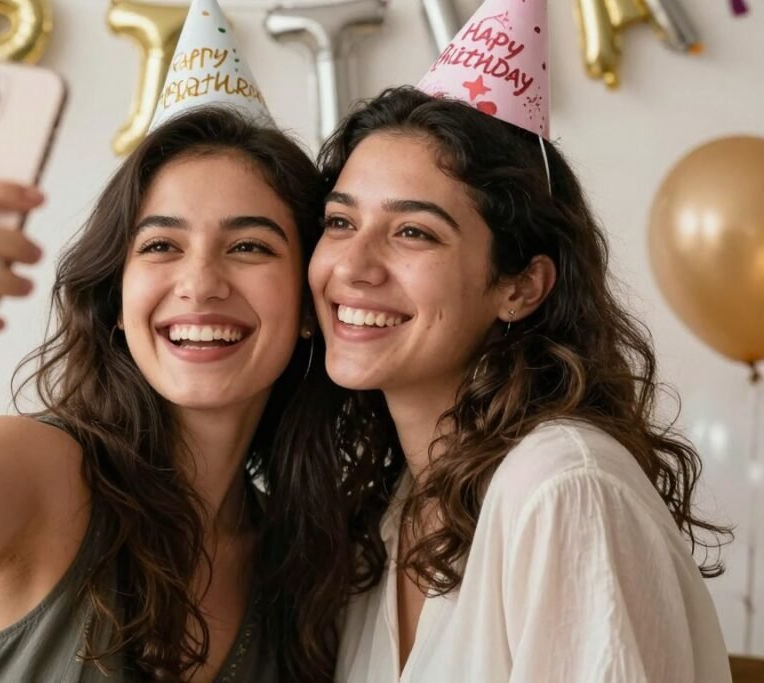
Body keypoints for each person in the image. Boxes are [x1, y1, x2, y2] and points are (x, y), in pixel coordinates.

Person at [0, 14, 343, 677]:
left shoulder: (298, 555)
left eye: (249, 246)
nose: (200, 283)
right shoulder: (45, 474)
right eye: (161, 244)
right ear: (116, 304)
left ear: (308, 304)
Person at [312, 1, 733, 677]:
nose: (352, 268)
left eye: (413, 231)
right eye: (339, 222)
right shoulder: (395, 509)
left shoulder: (561, 489)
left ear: (521, 286)